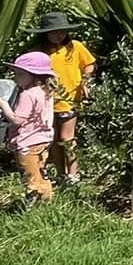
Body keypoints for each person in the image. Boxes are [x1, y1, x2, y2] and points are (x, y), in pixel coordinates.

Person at [33, 12, 96, 187]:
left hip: (70, 99)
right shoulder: (40, 53)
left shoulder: (75, 47)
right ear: (46, 34)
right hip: (48, 101)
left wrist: (86, 81)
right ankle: (61, 174)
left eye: (61, 32)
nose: (58, 35)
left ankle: (74, 173)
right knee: (53, 139)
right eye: (54, 32)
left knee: (67, 137)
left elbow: (89, 64)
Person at [0, 52, 59, 203]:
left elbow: (17, 120)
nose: (16, 77)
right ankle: (47, 202)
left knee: (30, 176)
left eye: (20, 74)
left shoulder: (28, 94)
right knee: (41, 172)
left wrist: (3, 106)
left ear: (34, 76)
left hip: (27, 142)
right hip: (43, 140)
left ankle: (32, 205)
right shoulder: (46, 92)